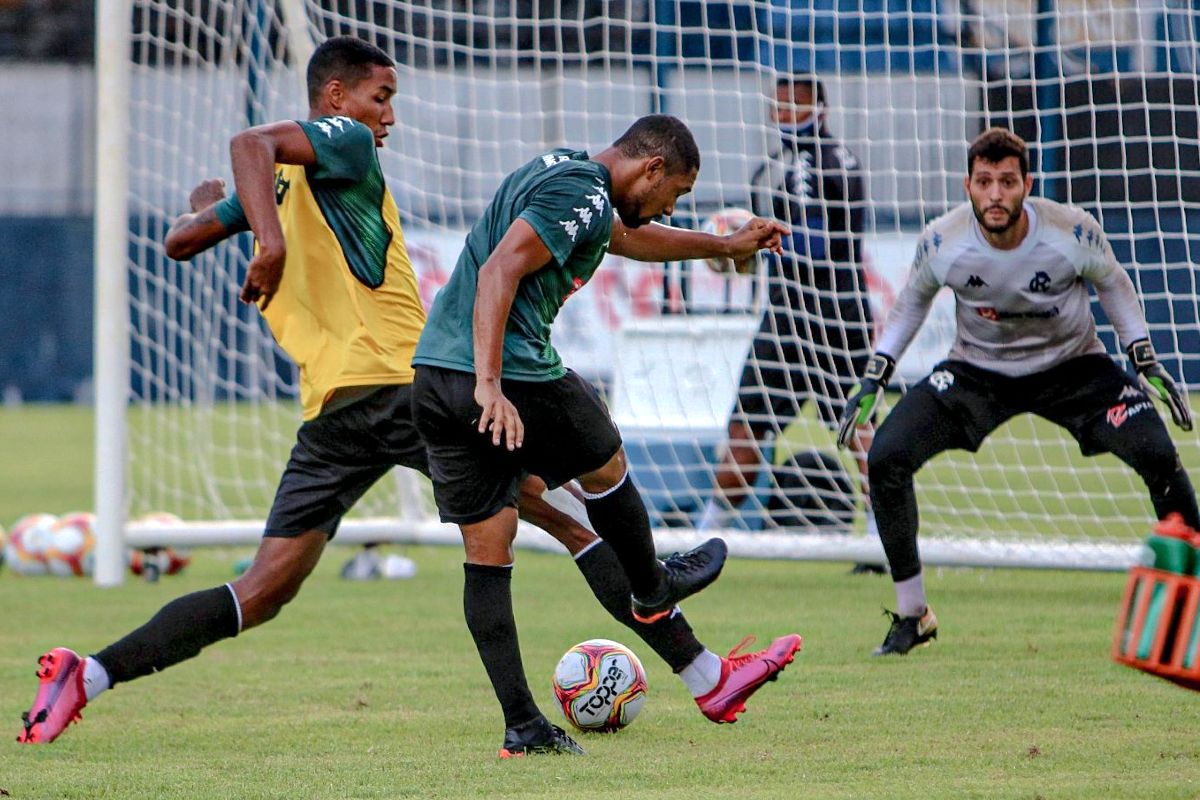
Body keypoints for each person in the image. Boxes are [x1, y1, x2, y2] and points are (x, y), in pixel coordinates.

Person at [17, 38, 797, 753]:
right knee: (561, 514)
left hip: (332, 410)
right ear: (334, 99)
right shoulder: (342, 143)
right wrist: (269, 238)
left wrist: (216, 205)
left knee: (262, 591)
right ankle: (696, 666)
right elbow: (251, 141)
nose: (387, 117)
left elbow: (179, 239)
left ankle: (88, 675)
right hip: (404, 379)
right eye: (380, 96)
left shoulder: (279, 183)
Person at [409, 114, 803, 757]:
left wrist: (719, 244)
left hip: (434, 380)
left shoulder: (566, 175)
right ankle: (653, 588)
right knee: (608, 467)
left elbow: (624, 237)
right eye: (671, 194)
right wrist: (491, 385)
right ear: (650, 168)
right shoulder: (586, 191)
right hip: (509, 374)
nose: (666, 208)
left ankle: (525, 727)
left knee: (490, 547)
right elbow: (497, 272)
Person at [837, 126, 1199, 656]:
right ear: (968, 185)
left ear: (1027, 183)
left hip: (1075, 368)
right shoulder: (943, 239)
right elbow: (911, 302)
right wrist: (876, 375)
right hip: (977, 372)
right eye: (985, 182)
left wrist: (1141, 354)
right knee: (887, 456)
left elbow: (1114, 283)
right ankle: (913, 615)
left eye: (1007, 182)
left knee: (1158, 452)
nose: (996, 194)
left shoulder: (1071, 232)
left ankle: (1191, 601)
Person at [697, 74, 878, 555]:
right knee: (747, 427)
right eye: (776, 106)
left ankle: (885, 541)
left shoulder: (809, 163)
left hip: (827, 318)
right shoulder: (791, 162)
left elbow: (821, 244)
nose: (780, 115)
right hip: (796, 318)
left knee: (857, 429)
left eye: (791, 106)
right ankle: (705, 536)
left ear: (818, 109)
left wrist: (758, 238)